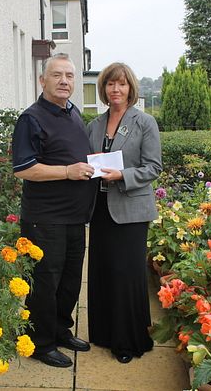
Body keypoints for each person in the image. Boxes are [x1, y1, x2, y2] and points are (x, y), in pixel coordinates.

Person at [11, 53, 97, 368]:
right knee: (45, 283)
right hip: (45, 219)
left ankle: (60, 330)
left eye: (70, 76)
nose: (64, 81)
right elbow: (24, 169)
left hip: (75, 216)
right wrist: (67, 172)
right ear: (42, 80)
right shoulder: (31, 118)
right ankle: (40, 343)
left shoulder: (73, 113)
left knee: (71, 279)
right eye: (57, 75)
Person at [86, 62, 162, 363]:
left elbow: (153, 167)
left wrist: (123, 176)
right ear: (103, 88)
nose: (115, 89)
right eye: (110, 84)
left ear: (130, 88)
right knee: (102, 272)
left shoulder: (144, 123)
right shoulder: (93, 125)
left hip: (130, 210)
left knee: (126, 275)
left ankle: (128, 341)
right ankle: (104, 334)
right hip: (101, 209)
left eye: (121, 84)